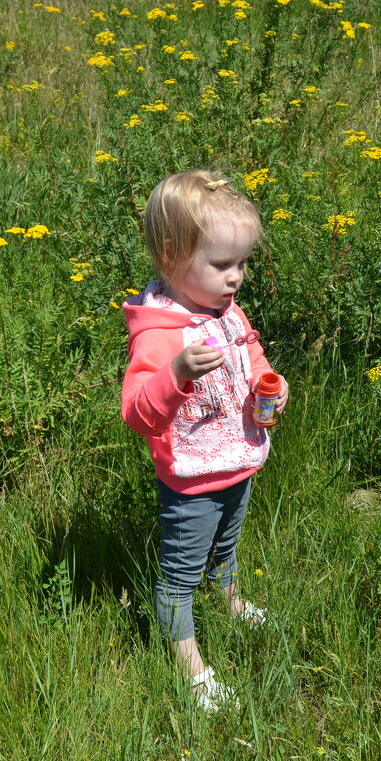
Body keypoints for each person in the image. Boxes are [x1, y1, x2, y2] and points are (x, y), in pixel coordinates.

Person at [120, 169, 288, 712]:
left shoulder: (225, 310)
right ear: (172, 255)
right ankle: (192, 671)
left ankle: (230, 597)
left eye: (241, 263)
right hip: (191, 480)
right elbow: (138, 413)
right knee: (180, 574)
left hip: (237, 460)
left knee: (227, 547)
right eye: (222, 264)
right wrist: (177, 373)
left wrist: (274, 385)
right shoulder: (161, 333)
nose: (236, 276)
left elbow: (251, 354)